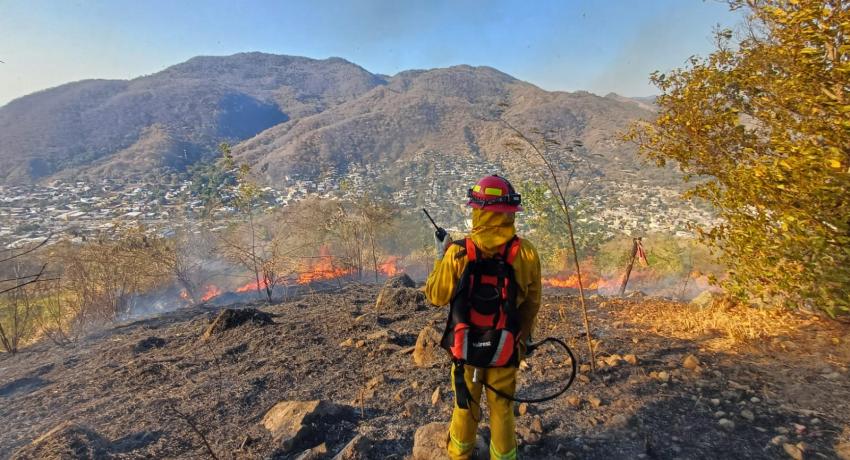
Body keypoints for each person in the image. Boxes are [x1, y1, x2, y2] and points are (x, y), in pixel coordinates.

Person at [425, 175, 542, 460]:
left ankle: (459, 455)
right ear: (509, 213)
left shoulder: (458, 252)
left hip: (465, 350)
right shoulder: (525, 253)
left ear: (477, 211)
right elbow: (531, 304)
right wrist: (520, 342)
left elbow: (436, 296)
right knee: (502, 408)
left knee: (465, 406)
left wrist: (441, 256)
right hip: (505, 348)